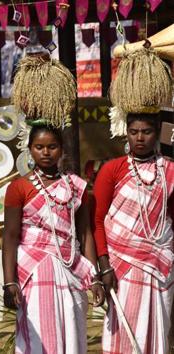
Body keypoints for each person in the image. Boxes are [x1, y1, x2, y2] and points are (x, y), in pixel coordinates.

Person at [2, 54, 104, 354]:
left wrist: (94, 277)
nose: (46, 153)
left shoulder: (77, 187)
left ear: (61, 149)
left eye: (52, 147)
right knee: (37, 339)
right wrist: (9, 283)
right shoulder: (18, 188)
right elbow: (10, 238)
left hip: (71, 271)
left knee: (71, 335)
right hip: (32, 272)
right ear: (29, 149)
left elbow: (84, 234)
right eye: (39, 147)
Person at [94, 47, 174, 354]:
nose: (139, 137)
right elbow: (98, 220)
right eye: (133, 131)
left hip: (161, 266)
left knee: (158, 337)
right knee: (124, 338)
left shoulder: (170, 170)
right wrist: (104, 266)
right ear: (125, 132)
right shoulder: (111, 170)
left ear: (157, 133)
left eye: (147, 132)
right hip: (121, 267)